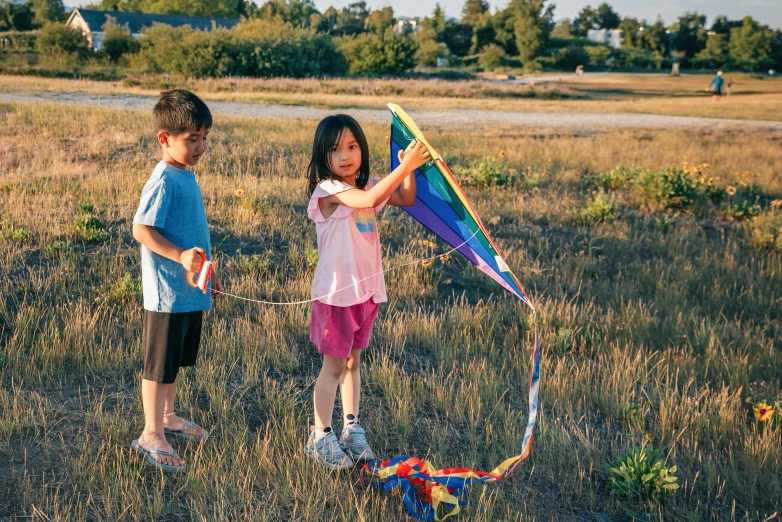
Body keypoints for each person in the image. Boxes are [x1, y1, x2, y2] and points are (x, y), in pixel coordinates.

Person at [304, 115, 429, 469]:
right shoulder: (329, 190)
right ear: (322, 156)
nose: (345, 155)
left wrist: (408, 168)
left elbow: (405, 196)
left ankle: (351, 429)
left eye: (352, 146)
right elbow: (370, 196)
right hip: (336, 296)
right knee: (332, 367)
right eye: (334, 149)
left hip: (366, 293)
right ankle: (320, 435)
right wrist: (404, 164)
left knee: (353, 364)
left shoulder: (367, 186)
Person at [130, 90, 224, 472]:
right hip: (166, 294)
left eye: (204, 138)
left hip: (188, 290)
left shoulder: (185, 174)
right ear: (164, 139)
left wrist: (206, 271)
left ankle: (168, 416)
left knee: (176, 362)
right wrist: (179, 257)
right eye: (192, 139)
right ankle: (150, 433)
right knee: (158, 366)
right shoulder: (165, 179)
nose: (201, 146)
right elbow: (141, 229)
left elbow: (192, 234)